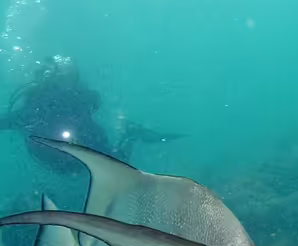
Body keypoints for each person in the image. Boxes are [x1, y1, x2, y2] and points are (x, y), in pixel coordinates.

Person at [0, 55, 183, 173]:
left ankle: (131, 134)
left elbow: (92, 102)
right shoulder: (33, 104)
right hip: (62, 159)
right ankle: (130, 133)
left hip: (84, 145)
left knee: (117, 165)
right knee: (113, 165)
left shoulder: (71, 98)